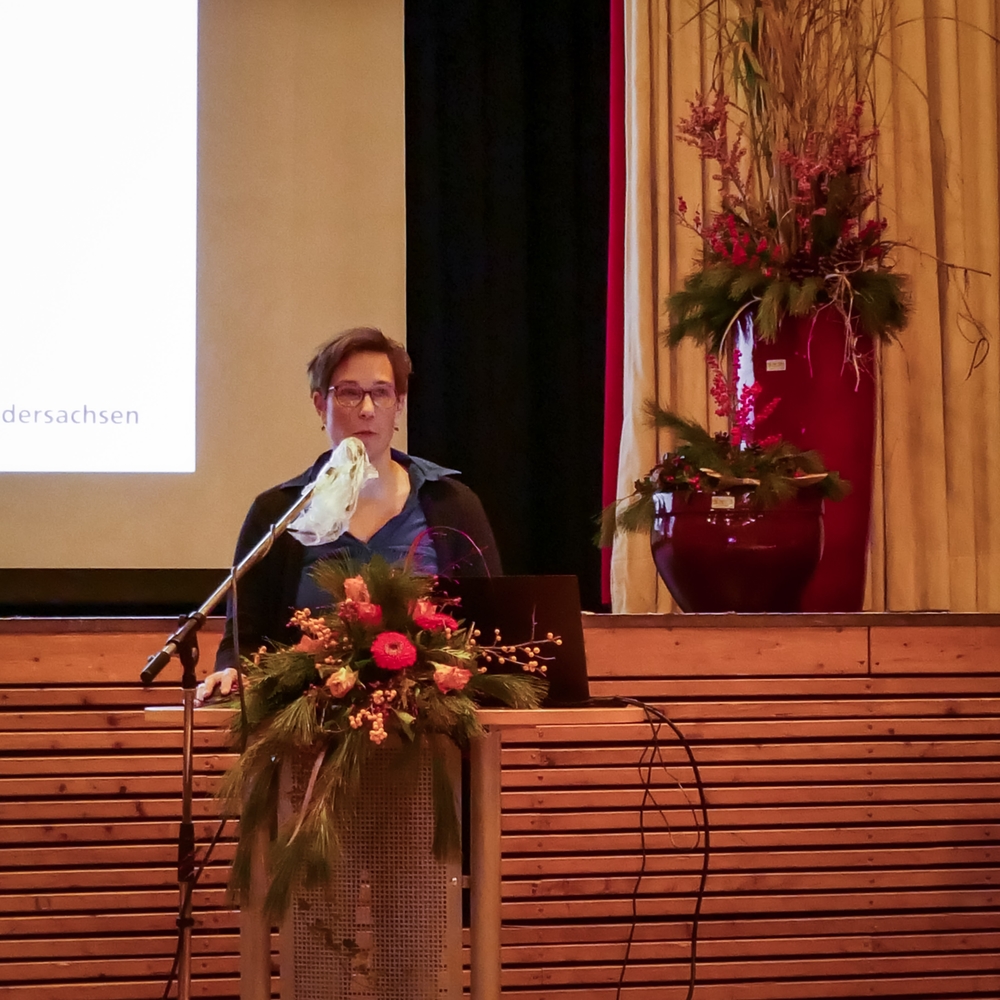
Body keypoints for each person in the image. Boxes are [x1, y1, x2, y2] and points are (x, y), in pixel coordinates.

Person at [196, 326, 500, 705]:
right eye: (349, 393)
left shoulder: (451, 503)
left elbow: (490, 630)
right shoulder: (278, 512)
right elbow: (243, 639)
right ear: (319, 404)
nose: (367, 409)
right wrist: (232, 670)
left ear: (399, 404)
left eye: (381, 393)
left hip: (432, 719)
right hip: (305, 719)